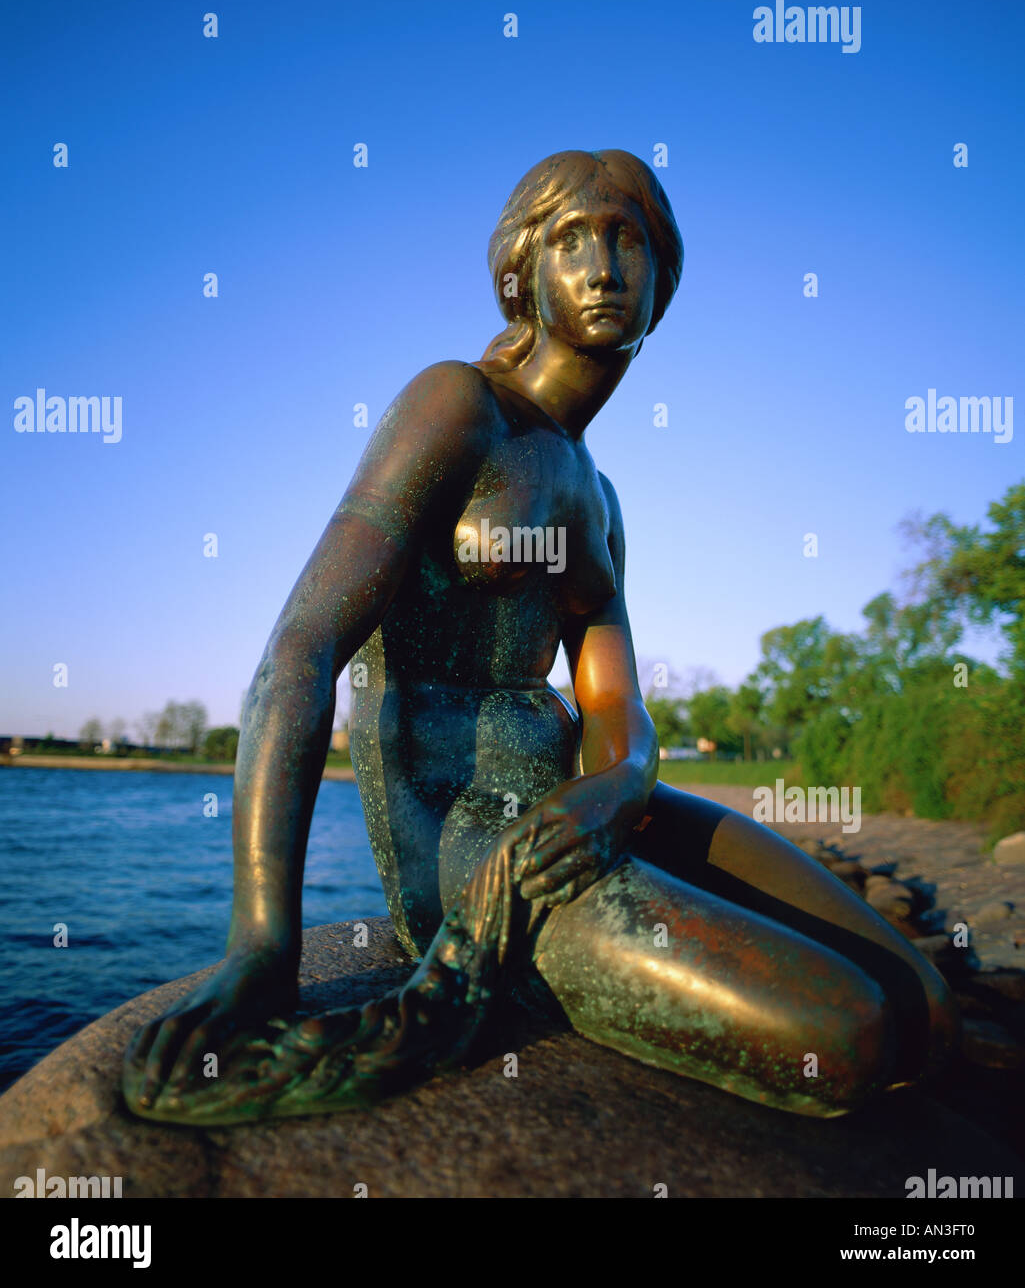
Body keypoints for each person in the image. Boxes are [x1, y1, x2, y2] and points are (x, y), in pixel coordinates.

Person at [123, 150, 958, 1125]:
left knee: (922, 1002)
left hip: (578, 808)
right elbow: (299, 650)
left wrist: (613, 787)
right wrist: (262, 941)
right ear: (524, 271)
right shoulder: (456, 407)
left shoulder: (598, 499)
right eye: (571, 240)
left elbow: (617, 708)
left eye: (626, 239)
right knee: (846, 1033)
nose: (602, 265)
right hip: (476, 848)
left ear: (659, 285)